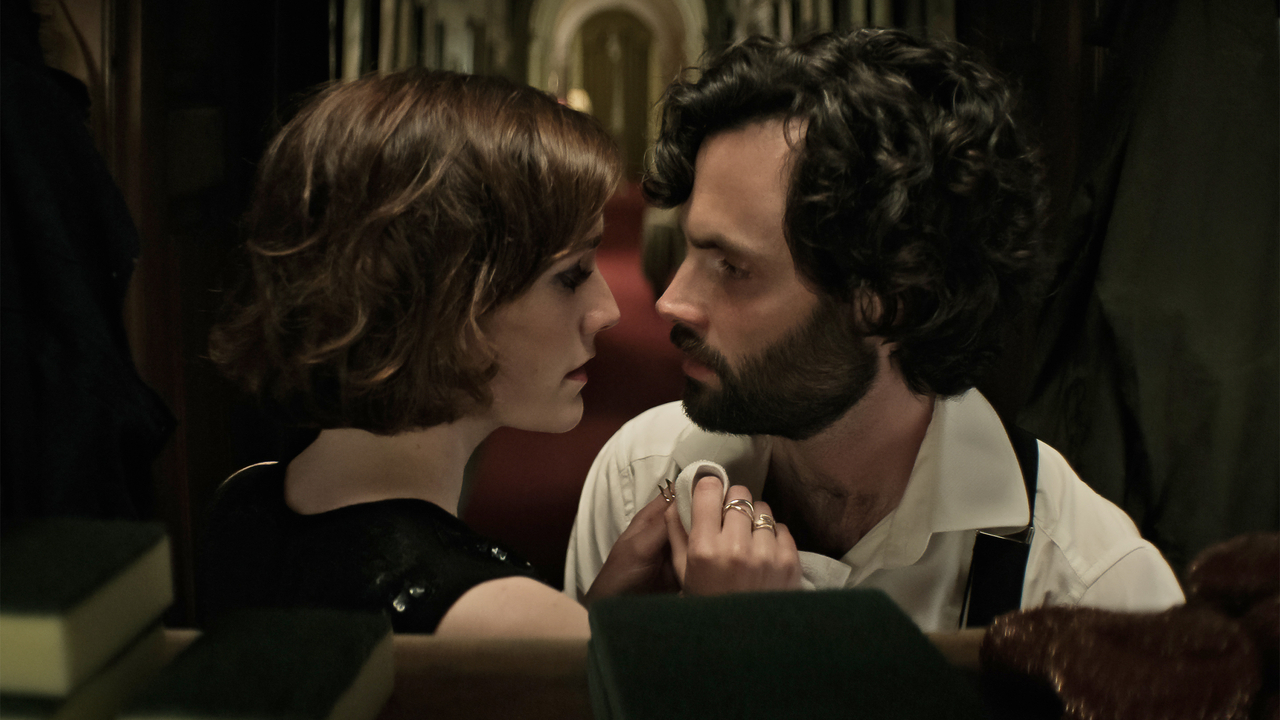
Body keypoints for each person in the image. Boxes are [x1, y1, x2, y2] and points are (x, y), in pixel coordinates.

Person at [565, 29, 1185, 631]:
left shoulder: (1090, 588)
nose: (671, 301)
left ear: (891, 302)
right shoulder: (638, 478)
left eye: (732, 268)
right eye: (691, 249)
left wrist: (742, 656)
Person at [200, 69, 799, 638]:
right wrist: (726, 633)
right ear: (447, 300)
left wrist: (594, 617)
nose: (608, 310)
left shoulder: (243, 497)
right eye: (570, 275)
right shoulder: (509, 622)